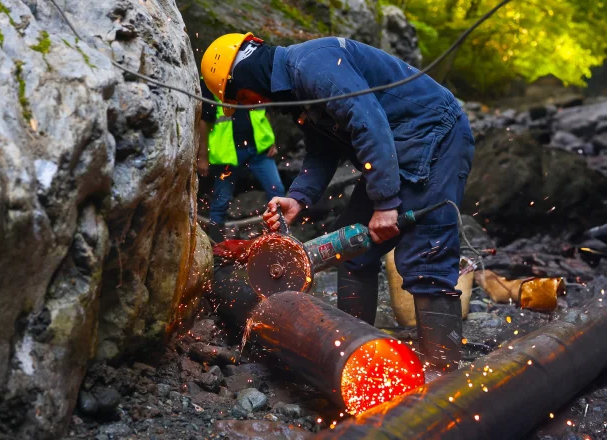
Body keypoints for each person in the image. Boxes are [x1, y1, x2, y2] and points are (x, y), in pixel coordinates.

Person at [200, 33, 475, 372]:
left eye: (243, 97)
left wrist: (386, 204)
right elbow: (322, 151)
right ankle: (357, 357)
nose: (253, 104)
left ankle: (444, 374)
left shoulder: (313, 64)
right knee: (352, 249)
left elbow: (369, 122)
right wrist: (298, 197)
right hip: (395, 148)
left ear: (245, 74)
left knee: (425, 258)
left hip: (435, 138)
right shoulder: (298, 90)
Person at [198, 76, 285, 243]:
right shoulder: (211, 80)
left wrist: (270, 139)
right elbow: (204, 121)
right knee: (221, 201)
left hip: (258, 149)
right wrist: (202, 157)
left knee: (277, 190)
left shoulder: (248, 73)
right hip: (227, 154)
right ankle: (217, 248)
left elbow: (263, 110)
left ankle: (280, 239)